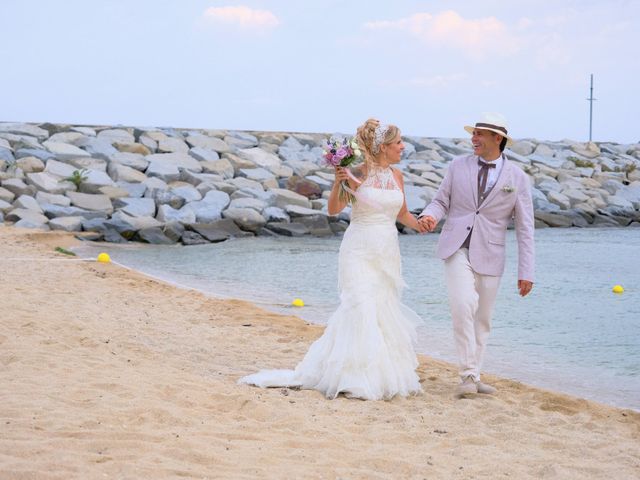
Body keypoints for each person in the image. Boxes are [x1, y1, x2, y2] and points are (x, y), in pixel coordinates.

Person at [239, 118, 428, 400]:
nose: (403, 147)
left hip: (387, 250)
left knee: (382, 308)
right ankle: (353, 378)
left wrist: (420, 225)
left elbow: (402, 215)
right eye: (398, 143)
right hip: (359, 249)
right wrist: (338, 182)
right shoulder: (356, 173)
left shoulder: (397, 177)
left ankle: (379, 376)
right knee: (360, 305)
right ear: (383, 147)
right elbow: (333, 210)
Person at [419, 112, 535, 397]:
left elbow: (525, 228)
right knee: (462, 305)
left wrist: (526, 271)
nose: (473, 139)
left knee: (483, 319)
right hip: (456, 246)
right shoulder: (457, 166)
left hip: (491, 253)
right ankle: (468, 376)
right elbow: (440, 200)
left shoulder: (517, 178)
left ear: (498, 139)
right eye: (473, 134)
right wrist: (429, 216)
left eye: (479, 134)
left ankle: (474, 375)